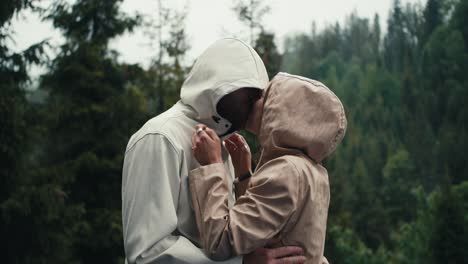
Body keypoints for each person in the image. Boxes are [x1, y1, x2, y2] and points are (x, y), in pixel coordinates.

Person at [122, 39, 306, 264]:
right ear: (220, 86)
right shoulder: (160, 137)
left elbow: (224, 234)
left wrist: (243, 177)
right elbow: (147, 253)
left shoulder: (222, 145)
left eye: (260, 95)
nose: (257, 102)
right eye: (249, 92)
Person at [189, 72, 347, 264]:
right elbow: (266, 226)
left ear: (288, 112)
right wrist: (244, 174)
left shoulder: (288, 171)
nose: (257, 99)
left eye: (266, 96)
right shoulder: (312, 172)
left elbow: (220, 242)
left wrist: (211, 166)